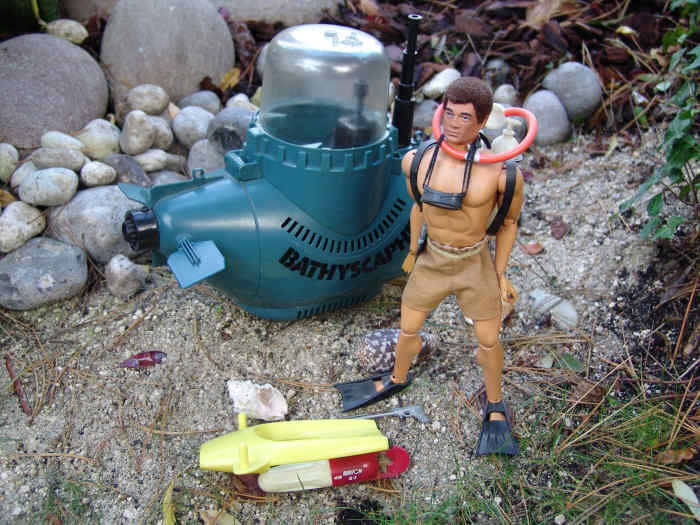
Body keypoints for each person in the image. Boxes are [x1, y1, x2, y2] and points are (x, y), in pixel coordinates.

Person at [335, 76, 523, 455]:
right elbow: (419, 207)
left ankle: (495, 404)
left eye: (465, 117)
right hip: (433, 257)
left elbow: (508, 223)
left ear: (482, 122)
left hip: (474, 262)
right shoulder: (418, 160)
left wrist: (501, 272)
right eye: (449, 113)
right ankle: (396, 376)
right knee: (409, 328)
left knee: (488, 340)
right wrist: (411, 249)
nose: (454, 123)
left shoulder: (502, 175)